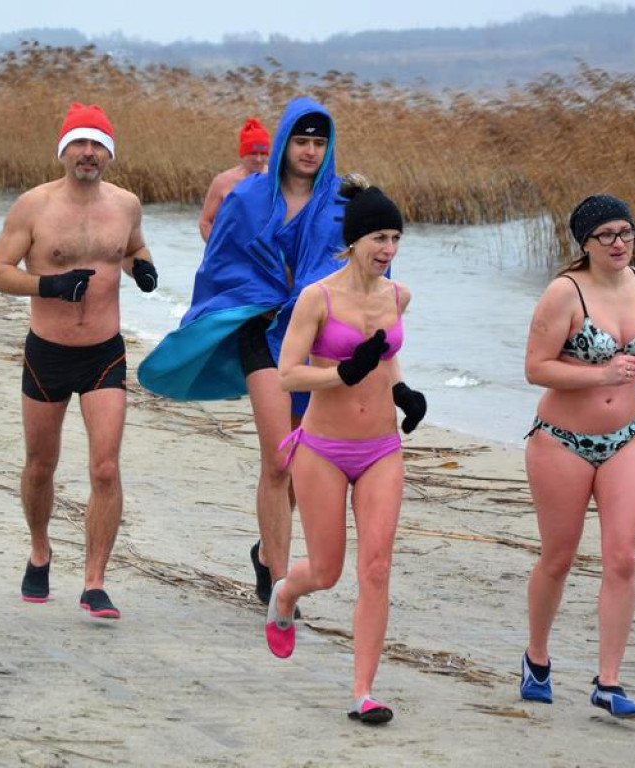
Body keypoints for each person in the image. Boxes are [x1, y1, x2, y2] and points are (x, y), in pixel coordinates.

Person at [139, 98, 426, 609]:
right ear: (285, 142)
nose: (311, 151)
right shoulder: (247, 198)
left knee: (302, 458)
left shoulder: (342, 204)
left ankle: (265, 549)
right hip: (261, 331)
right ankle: (276, 581)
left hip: (318, 338)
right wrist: (251, 297)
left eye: (320, 142)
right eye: (302, 141)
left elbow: (368, 267)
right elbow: (219, 263)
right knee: (277, 459)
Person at [0, 102, 158, 619]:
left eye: (98, 144)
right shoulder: (33, 206)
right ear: (65, 150)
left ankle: (95, 582)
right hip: (48, 353)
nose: (89, 153)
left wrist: (143, 267)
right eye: (80, 144)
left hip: (105, 353)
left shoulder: (126, 204)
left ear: (109, 152)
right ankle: (40, 551)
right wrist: (50, 285)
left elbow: (131, 248)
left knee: (105, 467)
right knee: (42, 465)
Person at [268, 177, 417, 725]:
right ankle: (285, 593)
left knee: (376, 567)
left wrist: (402, 390)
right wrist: (340, 373)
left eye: (396, 239)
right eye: (380, 237)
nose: (389, 250)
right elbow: (287, 375)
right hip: (324, 449)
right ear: (353, 240)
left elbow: (388, 356)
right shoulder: (317, 297)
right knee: (327, 571)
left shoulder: (398, 296)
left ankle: (363, 692)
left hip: (382, 447)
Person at [521, 194, 635, 719]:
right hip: (562, 440)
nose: (618, 243)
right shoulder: (564, 293)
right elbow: (536, 367)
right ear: (584, 244)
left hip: (627, 438)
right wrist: (600, 376)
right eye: (605, 235)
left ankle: (608, 681)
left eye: (625, 232)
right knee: (559, 558)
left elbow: (633, 351)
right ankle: (536, 658)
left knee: (624, 557)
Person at [198, 117, 270, 242]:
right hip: (230, 255)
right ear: (243, 153)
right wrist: (217, 250)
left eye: (263, 154)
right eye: (253, 153)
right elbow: (205, 222)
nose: (259, 159)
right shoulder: (223, 182)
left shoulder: (276, 179)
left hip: (265, 254)